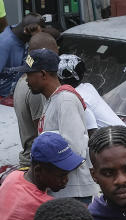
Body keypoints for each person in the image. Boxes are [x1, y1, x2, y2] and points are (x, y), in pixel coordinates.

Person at [21, 49, 97, 201]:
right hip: (63, 191)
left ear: (43, 74)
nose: (26, 80)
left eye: (29, 74)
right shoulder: (52, 100)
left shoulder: (65, 100)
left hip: (74, 193)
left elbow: (75, 149)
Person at [15, 32, 59, 166]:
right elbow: (44, 135)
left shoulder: (23, 80)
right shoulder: (36, 89)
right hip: (39, 164)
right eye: (55, 52)